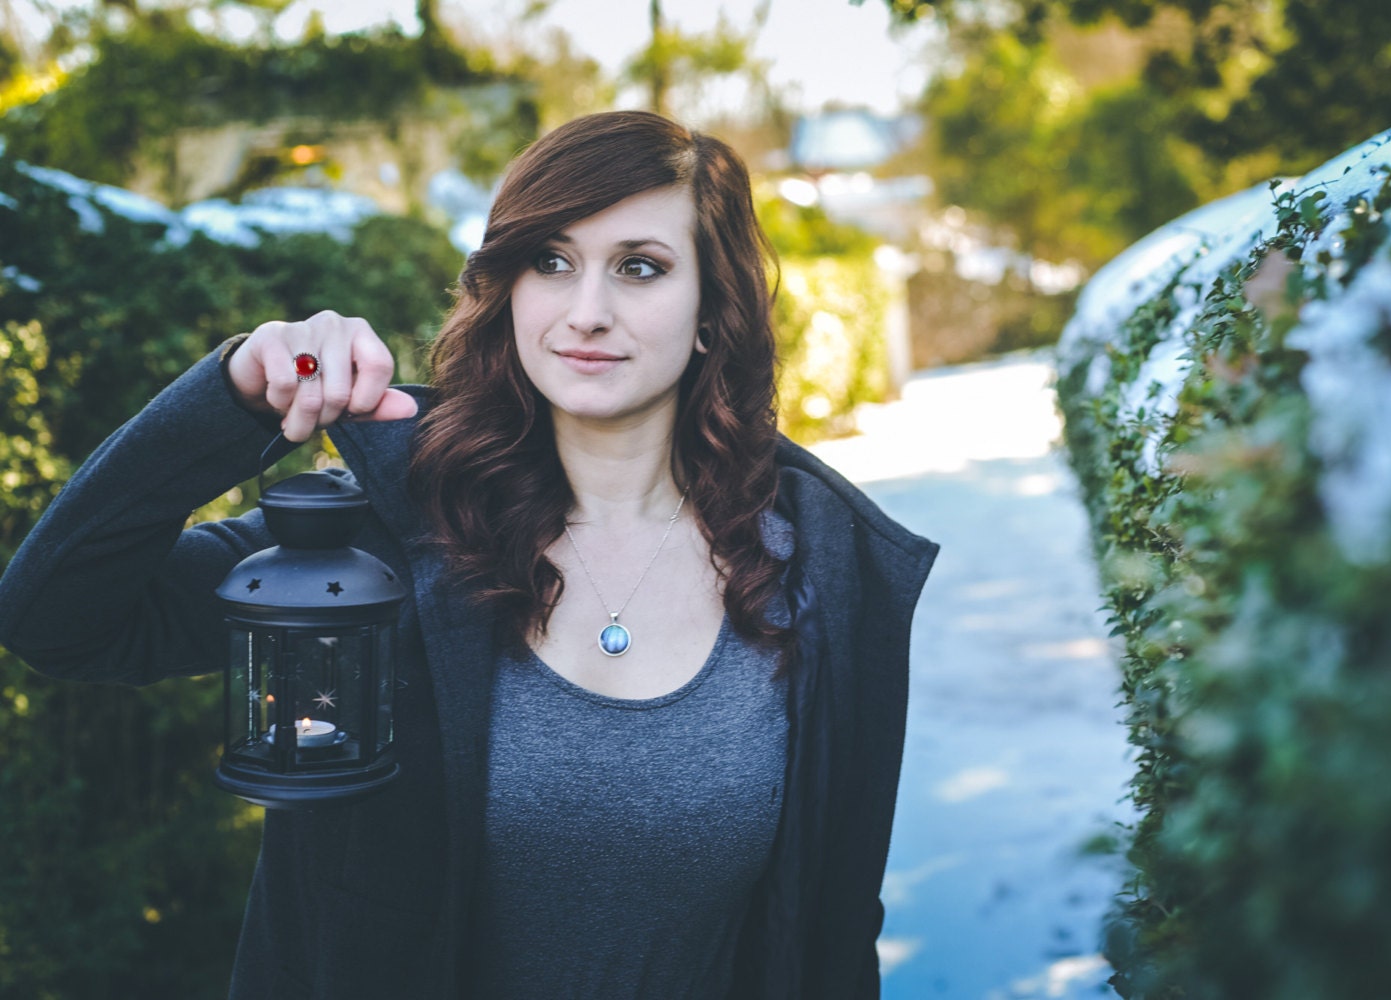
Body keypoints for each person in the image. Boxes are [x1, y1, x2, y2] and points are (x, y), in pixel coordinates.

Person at [0, 110, 937, 998]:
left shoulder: (822, 571)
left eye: (641, 267)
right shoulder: (389, 533)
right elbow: (59, 621)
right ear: (509, 288)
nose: (587, 310)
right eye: (551, 261)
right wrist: (234, 399)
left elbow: (833, 925)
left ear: (708, 312)